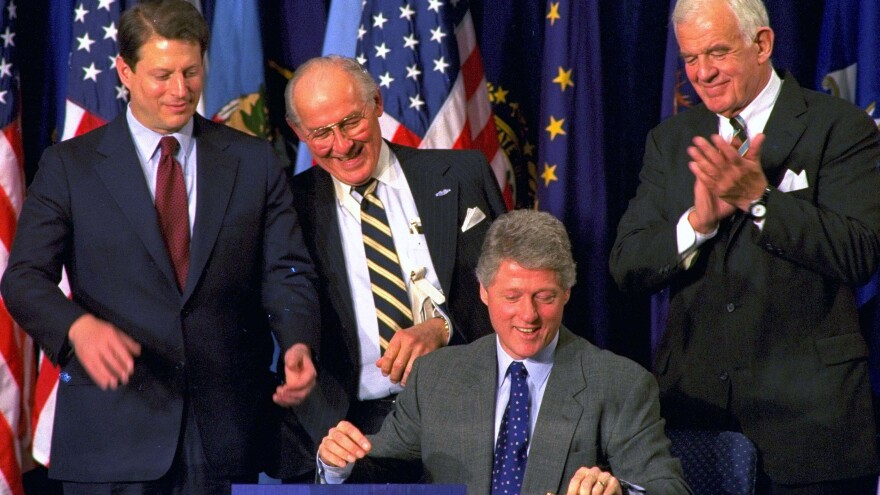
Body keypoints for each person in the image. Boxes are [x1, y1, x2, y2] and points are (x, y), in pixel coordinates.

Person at [0, 1, 320, 493]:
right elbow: (22, 278)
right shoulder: (70, 165)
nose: (180, 90)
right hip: (111, 434)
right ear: (124, 71)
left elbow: (286, 270)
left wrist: (298, 339)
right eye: (162, 74)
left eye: (191, 72)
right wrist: (77, 328)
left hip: (226, 434)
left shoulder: (252, 161)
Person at [609, 0, 880, 492]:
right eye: (690, 59)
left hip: (811, 429)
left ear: (763, 44)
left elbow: (860, 251)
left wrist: (759, 200)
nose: (703, 73)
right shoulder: (671, 141)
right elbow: (627, 265)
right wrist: (697, 223)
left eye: (717, 52)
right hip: (696, 421)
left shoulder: (838, 127)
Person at [318, 210, 692, 495]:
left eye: (544, 297)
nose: (528, 315)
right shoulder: (435, 376)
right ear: (483, 291)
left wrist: (619, 493)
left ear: (566, 293)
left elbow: (667, 487)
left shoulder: (619, 383)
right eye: (512, 297)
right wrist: (336, 463)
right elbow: (379, 468)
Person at [272, 55, 507, 479]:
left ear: (377, 103)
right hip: (348, 433)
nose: (341, 145)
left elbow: (511, 293)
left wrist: (443, 327)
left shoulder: (461, 174)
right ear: (298, 132)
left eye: (351, 122)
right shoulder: (286, 207)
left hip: (464, 419)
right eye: (321, 133)